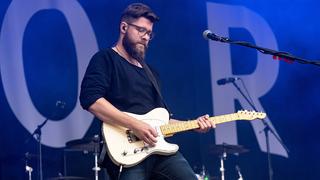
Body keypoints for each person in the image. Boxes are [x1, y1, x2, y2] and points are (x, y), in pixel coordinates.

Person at [80, 3, 215, 180]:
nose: (146, 37)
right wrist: (135, 125)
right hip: (127, 153)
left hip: (159, 150)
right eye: (141, 30)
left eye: (149, 33)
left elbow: (161, 121)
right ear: (123, 27)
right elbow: (91, 100)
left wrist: (193, 124)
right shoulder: (105, 59)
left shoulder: (151, 73)